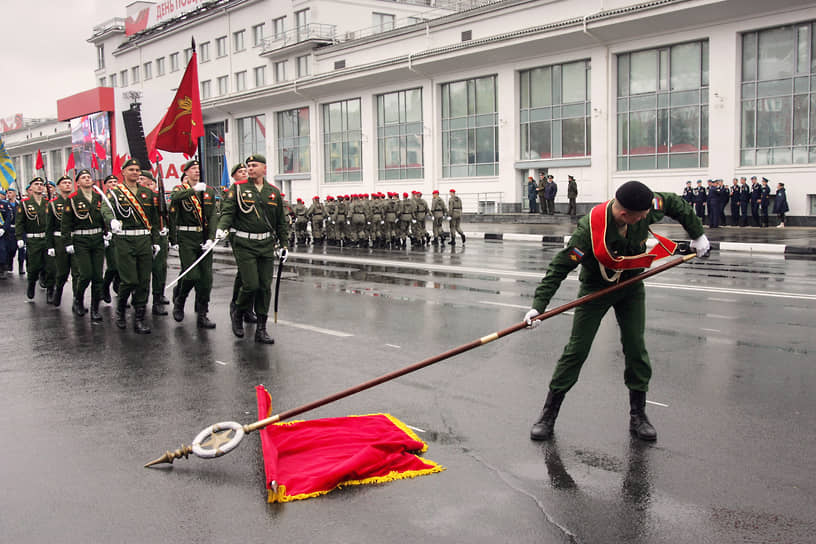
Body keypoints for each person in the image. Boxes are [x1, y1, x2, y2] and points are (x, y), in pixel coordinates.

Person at [523, 180, 709, 442]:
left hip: (631, 289)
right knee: (577, 350)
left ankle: (638, 416)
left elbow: (675, 204)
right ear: (625, 214)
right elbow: (560, 267)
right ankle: (548, 415)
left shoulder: (644, 206)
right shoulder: (589, 230)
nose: (648, 217)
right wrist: (537, 307)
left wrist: (697, 234)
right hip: (595, 290)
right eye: (642, 216)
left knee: (636, 348)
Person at [216, 154, 289, 344]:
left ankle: (261, 329)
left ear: (264, 168)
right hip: (244, 244)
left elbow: (281, 222)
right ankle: (238, 312)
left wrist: (284, 244)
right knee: (250, 284)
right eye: (248, 165)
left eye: (254, 165)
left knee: (265, 287)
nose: (250, 168)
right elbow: (227, 212)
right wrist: (222, 229)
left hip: (266, 245)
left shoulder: (273, 192)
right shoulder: (238, 188)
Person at [101, 158, 160, 334]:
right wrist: (111, 221)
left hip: (143, 239)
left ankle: (139, 318)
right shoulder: (116, 192)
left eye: (137, 170)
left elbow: (154, 220)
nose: (135, 172)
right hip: (125, 240)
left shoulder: (147, 193)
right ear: (123, 172)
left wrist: (156, 241)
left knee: (143, 281)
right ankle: (120, 310)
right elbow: (105, 208)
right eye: (131, 169)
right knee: (129, 279)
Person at [169, 160, 218, 328]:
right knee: (191, 274)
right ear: (186, 172)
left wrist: (211, 238)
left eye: (198, 168)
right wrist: (192, 190)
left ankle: (203, 313)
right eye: (193, 169)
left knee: (206, 279)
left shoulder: (209, 191)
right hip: (187, 236)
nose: (197, 171)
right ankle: (180, 301)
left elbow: (212, 216)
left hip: (203, 237)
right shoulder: (180, 190)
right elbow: (173, 199)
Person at [62, 169, 107, 322]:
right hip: (81, 239)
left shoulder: (98, 197)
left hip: (97, 239)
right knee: (86, 274)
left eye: (89, 177)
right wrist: (67, 242)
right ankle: (78, 300)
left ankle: (95, 308)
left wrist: (107, 233)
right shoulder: (73, 198)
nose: (87, 179)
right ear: (78, 182)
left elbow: (103, 217)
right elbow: (66, 223)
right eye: (84, 177)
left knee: (97, 276)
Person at [138, 171, 170, 316]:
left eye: (143, 179)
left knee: (159, 269)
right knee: (141, 272)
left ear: (152, 183)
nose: (139, 181)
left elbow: (166, 214)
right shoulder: (134, 198)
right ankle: (139, 300)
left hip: (159, 235)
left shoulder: (157, 197)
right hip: (142, 237)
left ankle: (157, 299)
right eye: (138, 179)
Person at [15, 177, 52, 301]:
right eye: (36, 184)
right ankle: (31, 283)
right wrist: (20, 237)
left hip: (47, 239)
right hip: (33, 240)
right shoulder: (25, 204)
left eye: (41, 184)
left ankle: (50, 291)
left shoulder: (48, 203)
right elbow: (19, 222)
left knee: (50, 266)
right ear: (31, 187)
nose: (39, 186)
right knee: (34, 267)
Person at [46, 175, 78, 307]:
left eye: (69, 182)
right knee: (62, 272)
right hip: (59, 240)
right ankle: (57, 291)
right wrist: (50, 246)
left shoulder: (76, 201)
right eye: (64, 183)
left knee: (77, 272)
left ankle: (77, 300)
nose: (67, 185)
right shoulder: (53, 204)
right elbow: (49, 227)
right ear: (59, 187)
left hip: (75, 238)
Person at [0, 189, 11, 279]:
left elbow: (8, 217)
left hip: (2, 230)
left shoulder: (4, 204)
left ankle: (3, 268)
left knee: (2, 249)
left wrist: (3, 229)